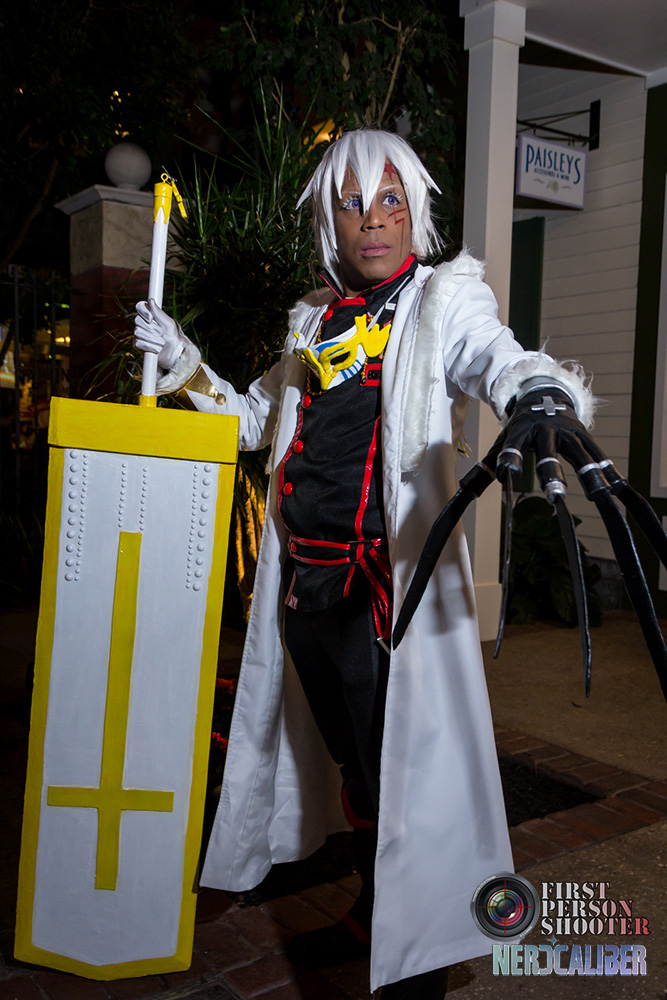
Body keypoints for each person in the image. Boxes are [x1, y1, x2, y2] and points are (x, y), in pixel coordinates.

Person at [134, 129, 593, 998]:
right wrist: (182, 359)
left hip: (382, 596)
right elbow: (251, 422)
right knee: (355, 770)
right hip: (303, 592)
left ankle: (417, 962)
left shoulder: (440, 299)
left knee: (403, 780)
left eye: (389, 200)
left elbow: (492, 353)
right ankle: (375, 909)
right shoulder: (312, 319)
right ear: (330, 221)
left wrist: (537, 390)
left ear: (412, 213)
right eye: (352, 204)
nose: (372, 219)